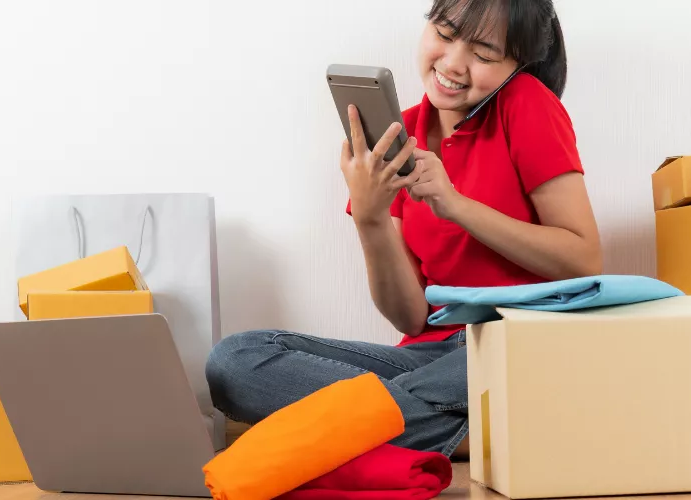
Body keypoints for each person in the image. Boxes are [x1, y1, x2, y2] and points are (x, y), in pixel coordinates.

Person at [205, 0, 602, 458]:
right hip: (429, 359)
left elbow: (583, 259)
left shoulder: (527, 102)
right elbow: (411, 318)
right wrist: (371, 218)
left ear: (518, 66)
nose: (453, 64)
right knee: (235, 361)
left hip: (519, 342)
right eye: (445, 34)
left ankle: (376, 427)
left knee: (455, 378)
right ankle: (465, 433)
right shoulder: (402, 133)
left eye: (484, 54)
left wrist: (455, 205)